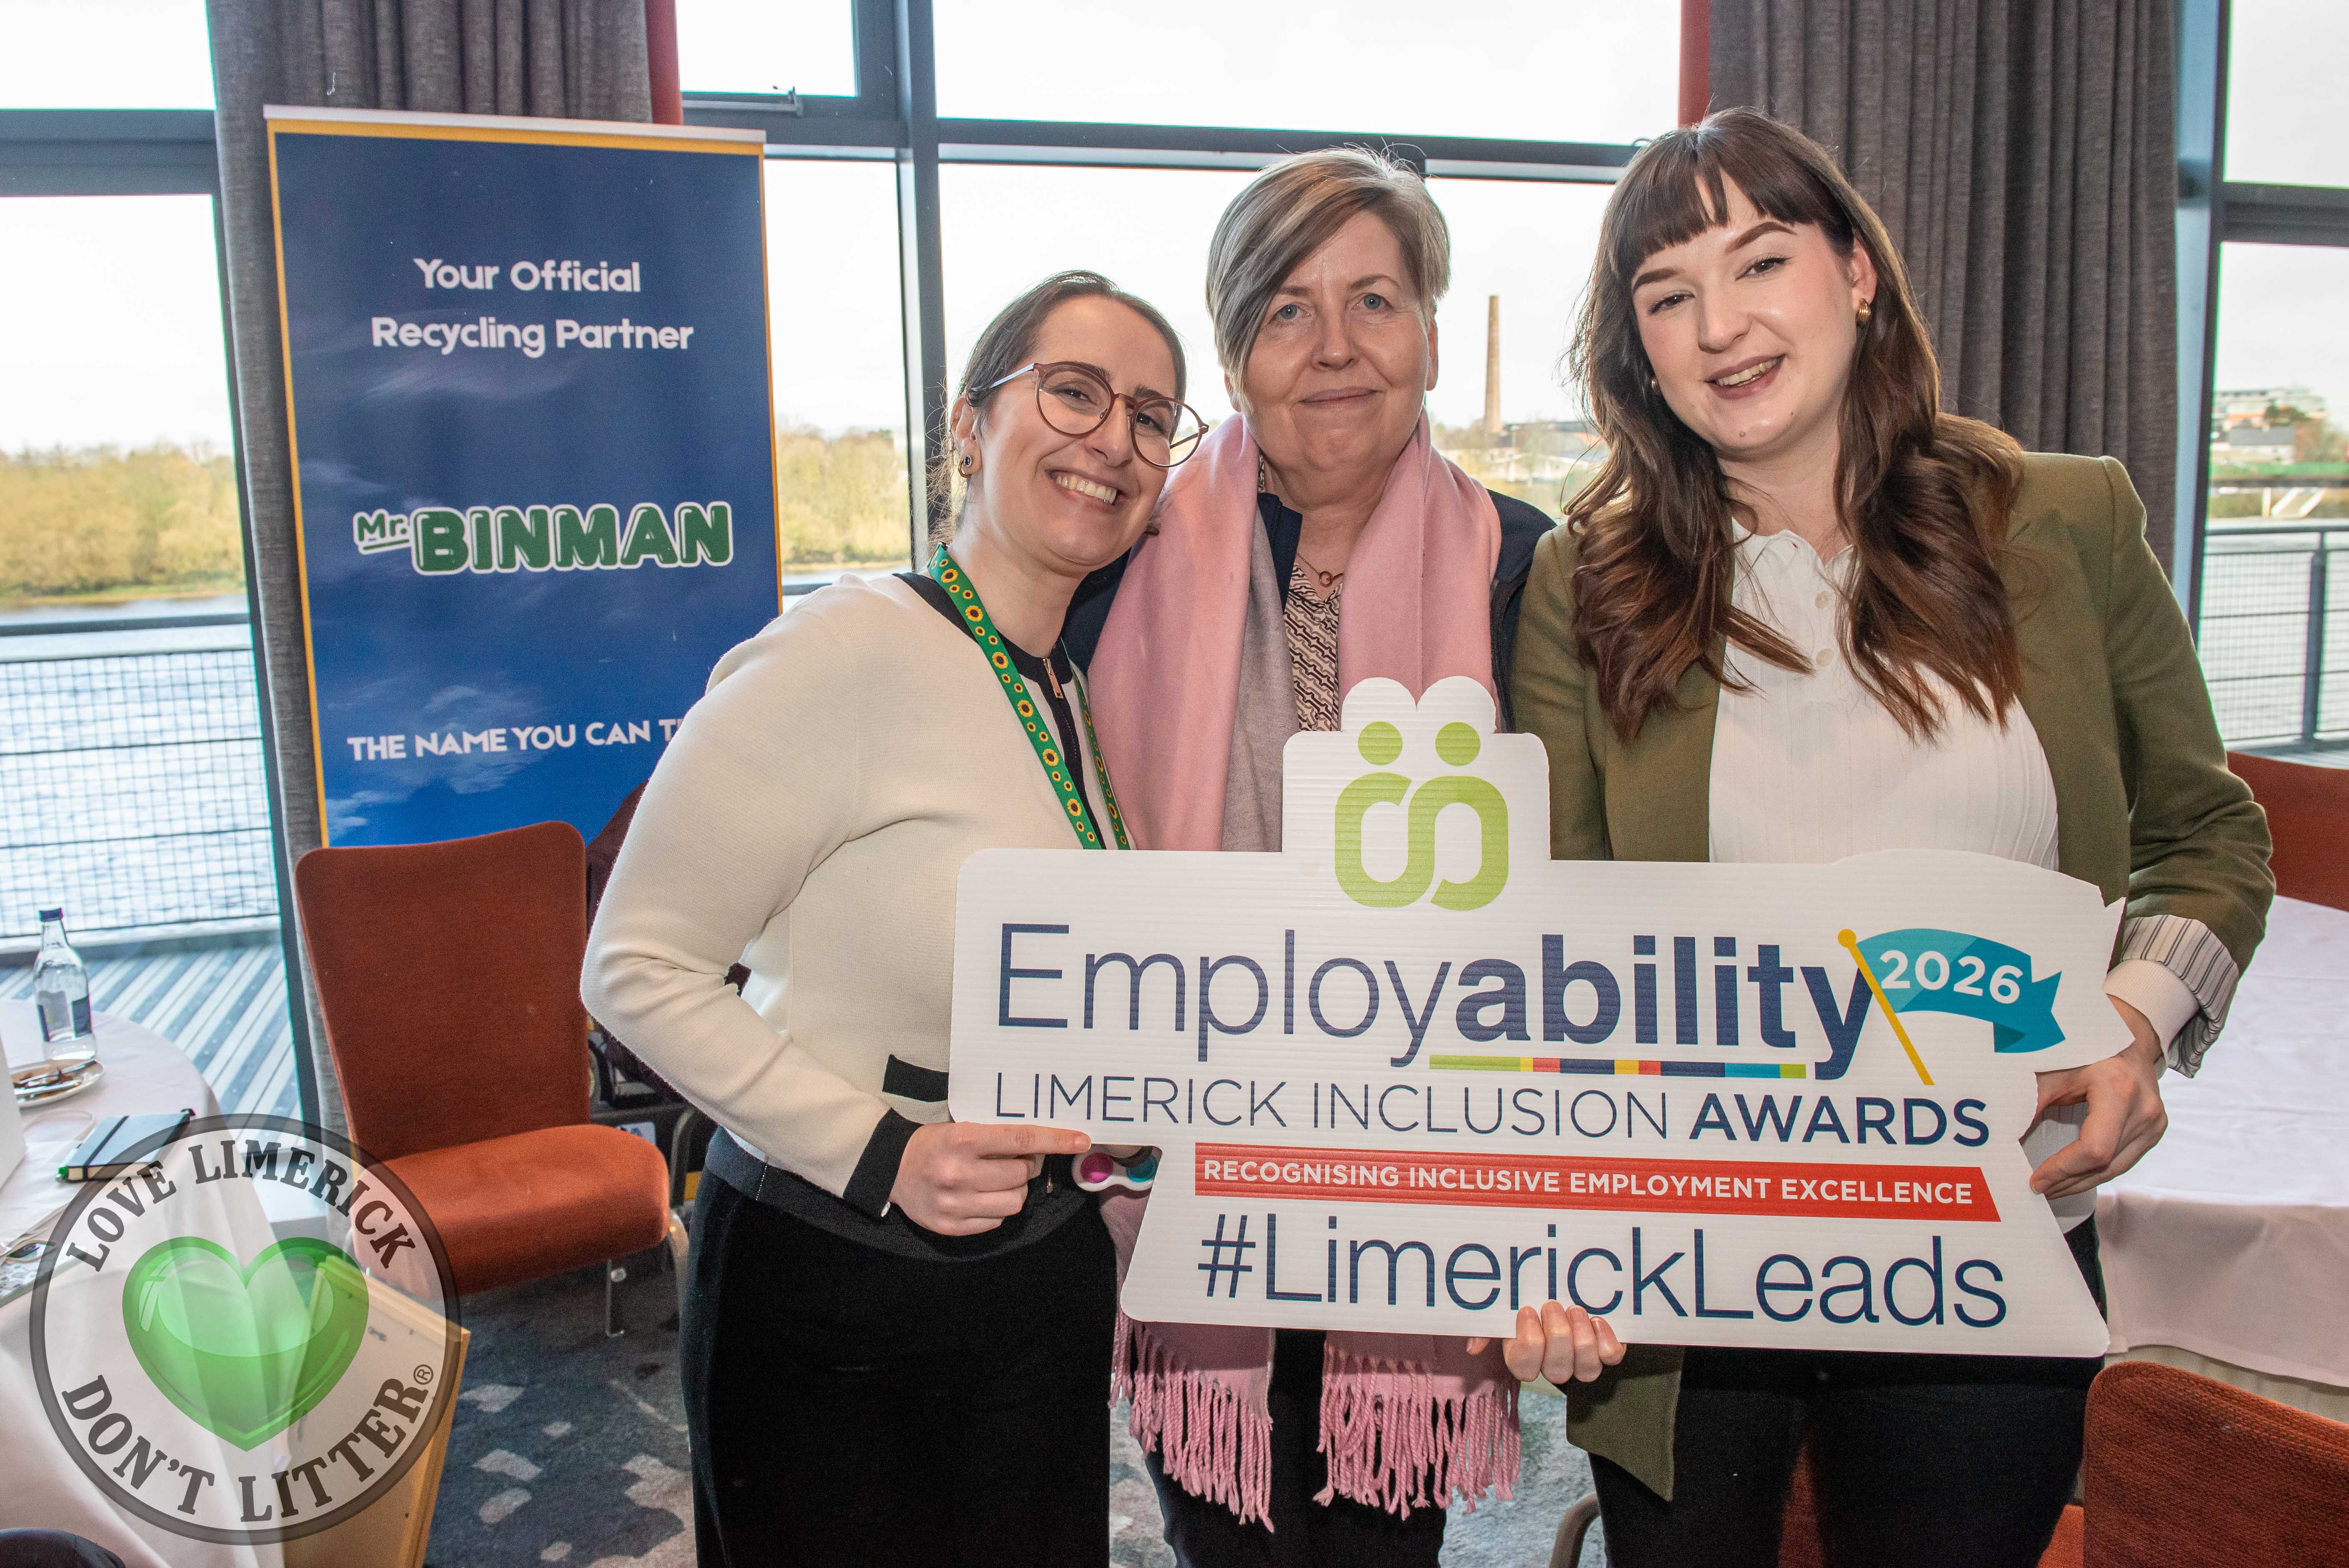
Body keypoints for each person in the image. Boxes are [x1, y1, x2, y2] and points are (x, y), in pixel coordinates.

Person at [1504, 108, 2274, 1566]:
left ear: (1857, 273)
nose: (1720, 326)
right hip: (1691, 1251)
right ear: (1640, 352)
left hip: (1991, 1234)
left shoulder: (2067, 521)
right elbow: (1554, 937)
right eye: (1668, 296)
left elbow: (2208, 833)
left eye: (1761, 263)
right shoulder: (1586, 580)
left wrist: (2133, 1022)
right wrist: (1549, 1225)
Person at [583, 270, 1204, 1568]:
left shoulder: (1069, 692)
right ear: (968, 428)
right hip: (835, 1277)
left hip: (1038, 1278)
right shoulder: (843, 651)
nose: (1113, 438)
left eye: (1152, 416)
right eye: (1074, 392)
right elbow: (634, 966)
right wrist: (883, 1154)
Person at [1066, 146, 1624, 1568]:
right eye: (1286, 310)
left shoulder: (1524, 566)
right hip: (1194, 1162)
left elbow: (1579, 882)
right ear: (1234, 352)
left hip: (1430, 1183)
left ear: (1428, 332)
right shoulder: (1118, 558)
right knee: (1228, 1543)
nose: (1334, 347)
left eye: (1374, 300)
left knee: (1385, 1548)